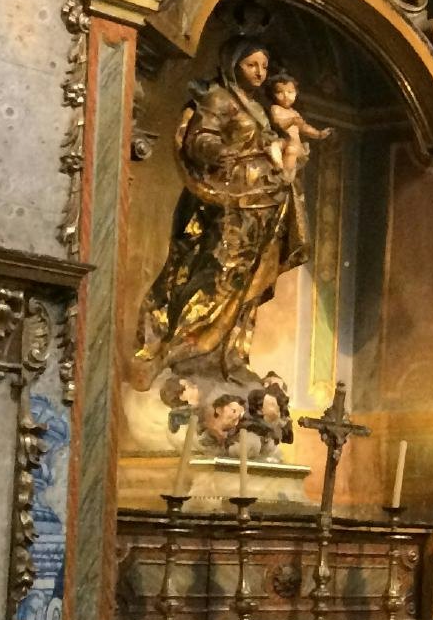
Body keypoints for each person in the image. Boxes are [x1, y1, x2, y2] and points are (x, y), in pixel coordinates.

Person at [129, 37, 310, 392]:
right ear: (233, 65)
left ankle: (230, 355)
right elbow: (198, 138)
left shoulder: (260, 107)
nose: (260, 73)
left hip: (264, 203)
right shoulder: (218, 98)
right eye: (251, 65)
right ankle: (188, 348)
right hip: (224, 205)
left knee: (250, 283)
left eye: (264, 66)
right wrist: (220, 150)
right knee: (217, 275)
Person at [265, 73, 330, 174]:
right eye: (280, 92)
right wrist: (291, 121)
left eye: (290, 92)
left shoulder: (294, 113)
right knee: (274, 146)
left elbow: (304, 128)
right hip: (284, 140)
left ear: (296, 93)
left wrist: (318, 134)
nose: (286, 96)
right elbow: (278, 124)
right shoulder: (276, 109)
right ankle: (278, 165)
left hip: (295, 144)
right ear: (272, 94)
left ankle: (286, 176)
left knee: (291, 150)